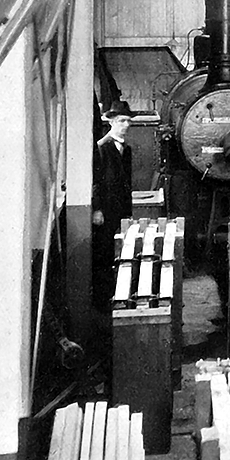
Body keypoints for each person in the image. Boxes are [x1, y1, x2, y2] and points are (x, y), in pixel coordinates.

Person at [92, 99, 134, 307]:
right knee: (104, 252)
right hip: (105, 210)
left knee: (120, 250)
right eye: (121, 121)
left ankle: (118, 294)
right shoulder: (101, 148)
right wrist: (97, 208)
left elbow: (127, 184)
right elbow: (96, 180)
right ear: (111, 122)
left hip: (121, 210)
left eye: (128, 121)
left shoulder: (128, 150)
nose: (126, 125)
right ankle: (103, 299)